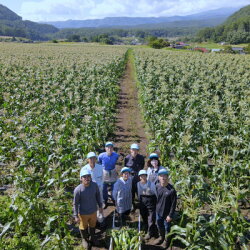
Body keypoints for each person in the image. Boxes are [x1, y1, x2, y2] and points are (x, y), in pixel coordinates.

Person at [73, 169, 103, 248]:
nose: (87, 178)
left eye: (88, 176)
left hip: (93, 211)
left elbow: (98, 196)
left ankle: (92, 237)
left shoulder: (94, 185)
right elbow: (75, 204)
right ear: (81, 178)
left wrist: (100, 206)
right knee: (83, 227)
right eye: (84, 177)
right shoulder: (78, 190)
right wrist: (76, 216)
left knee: (93, 225)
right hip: (83, 213)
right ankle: (85, 239)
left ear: (91, 177)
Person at [154, 169, 177, 248]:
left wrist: (170, 215)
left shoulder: (171, 190)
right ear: (159, 177)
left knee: (167, 227)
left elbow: (174, 204)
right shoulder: (157, 186)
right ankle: (161, 237)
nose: (163, 178)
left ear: (167, 177)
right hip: (158, 212)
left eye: (165, 176)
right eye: (161, 176)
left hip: (167, 214)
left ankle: (166, 241)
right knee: (159, 225)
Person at [80, 152, 104, 222]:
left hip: (99, 189)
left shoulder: (100, 167)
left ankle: (100, 215)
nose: (92, 160)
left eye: (94, 158)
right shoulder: (84, 169)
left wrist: (100, 186)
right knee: (91, 204)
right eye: (90, 158)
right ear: (88, 160)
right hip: (89, 190)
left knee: (100, 202)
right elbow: (82, 181)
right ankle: (92, 218)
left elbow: (102, 178)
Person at [137, 169, 157, 240]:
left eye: (144, 176)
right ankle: (146, 226)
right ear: (139, 177)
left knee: (151, 218)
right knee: (144, 215)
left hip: (151, 201)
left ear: (146, 176)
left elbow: (155, 193)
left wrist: (156, 203)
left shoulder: (151, 184)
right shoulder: (138, 184)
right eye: (141, 176)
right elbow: (139, 193)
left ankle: (150, 232)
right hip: (142, 202)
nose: (143, 177)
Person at [98, 142, 119, 208]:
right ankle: (104, 200)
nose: (109, 149)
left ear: (113, 148)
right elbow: (100, 162)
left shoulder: (115, 155)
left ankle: (114, 198)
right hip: (104, 172)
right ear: (105, 148)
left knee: (114, 187)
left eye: (111, 147)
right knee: (104, 187)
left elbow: (117, 160)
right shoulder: (101, 156)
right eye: (108, 147)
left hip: (112, 171)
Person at [124, 143, 145, 209]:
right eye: (133, 150)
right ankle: (132, 203)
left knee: (139, 190)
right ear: (130, 150)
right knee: (131, 191)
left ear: (138, 151)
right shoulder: (127, 158)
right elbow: (125, 167)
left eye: (136, 150)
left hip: (138, 177)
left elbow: (142, 166)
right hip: (130, 177)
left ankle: (141, 203)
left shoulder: (141, 158)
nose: (134, 151)